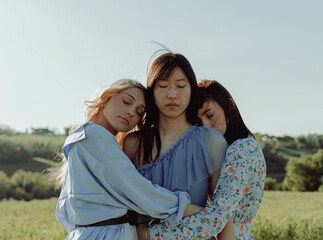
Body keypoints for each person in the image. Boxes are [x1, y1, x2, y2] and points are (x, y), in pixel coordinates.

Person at [53, 79, 202, 240]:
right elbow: (136, 188)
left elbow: (64, 212)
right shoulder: (94, 136)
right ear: (106, 98)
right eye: (126, 101)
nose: (131, 112)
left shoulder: (84, 139)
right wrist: (188, 208)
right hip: (106, 234)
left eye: (139, 112)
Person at [140, 80, 266, 240]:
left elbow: (217, 218)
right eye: (199, 122)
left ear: (230, 106)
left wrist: (149, 234)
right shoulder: (225, 150)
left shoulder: (241, 150)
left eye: (210, 115)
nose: (207, 125)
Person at [123, 53, 228, 213]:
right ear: (152, 91)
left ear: (191, 89)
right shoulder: (133, 144)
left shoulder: (210, 141)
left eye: (180, 86)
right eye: (163, 86)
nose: (172, 94)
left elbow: (222, 214)